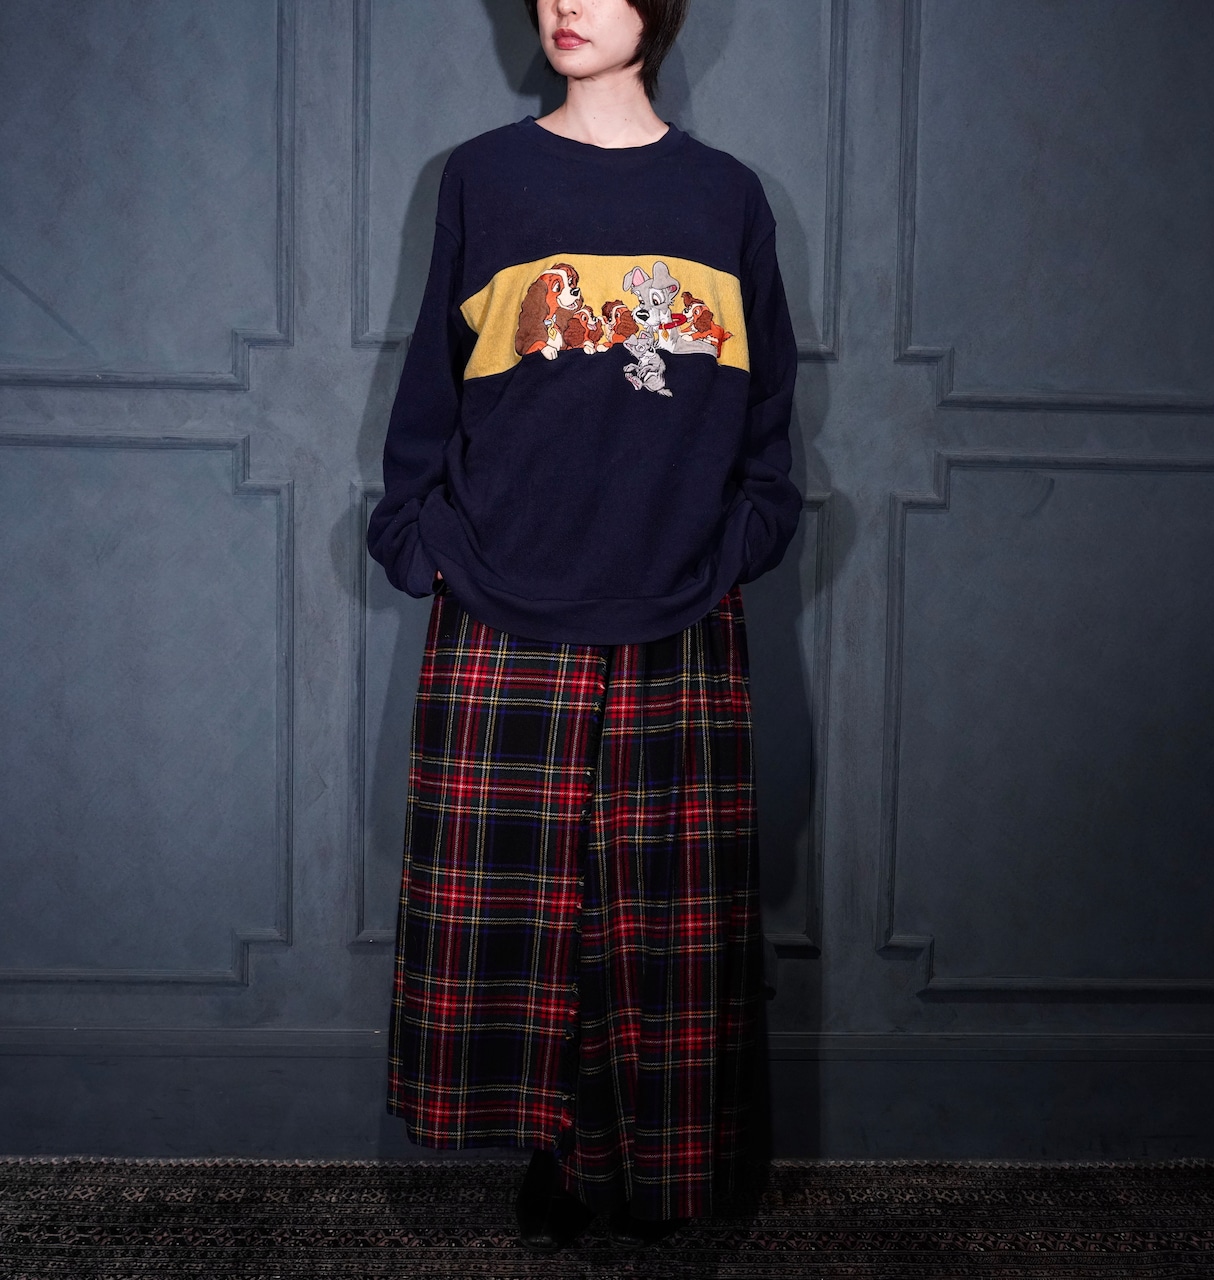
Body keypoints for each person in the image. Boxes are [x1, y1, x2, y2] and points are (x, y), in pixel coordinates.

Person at [367, 0, 800, 1251]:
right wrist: (417, 534)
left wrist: (740, 540)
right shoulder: (483, 178)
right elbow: (430, 383)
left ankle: (653, 1170)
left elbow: (767, 415)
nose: (564, 3)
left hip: (677, 600)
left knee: (660, 920)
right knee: (521, 916)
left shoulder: (725, 197)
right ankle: (557, 1156)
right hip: (503, 596)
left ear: (655, 9)